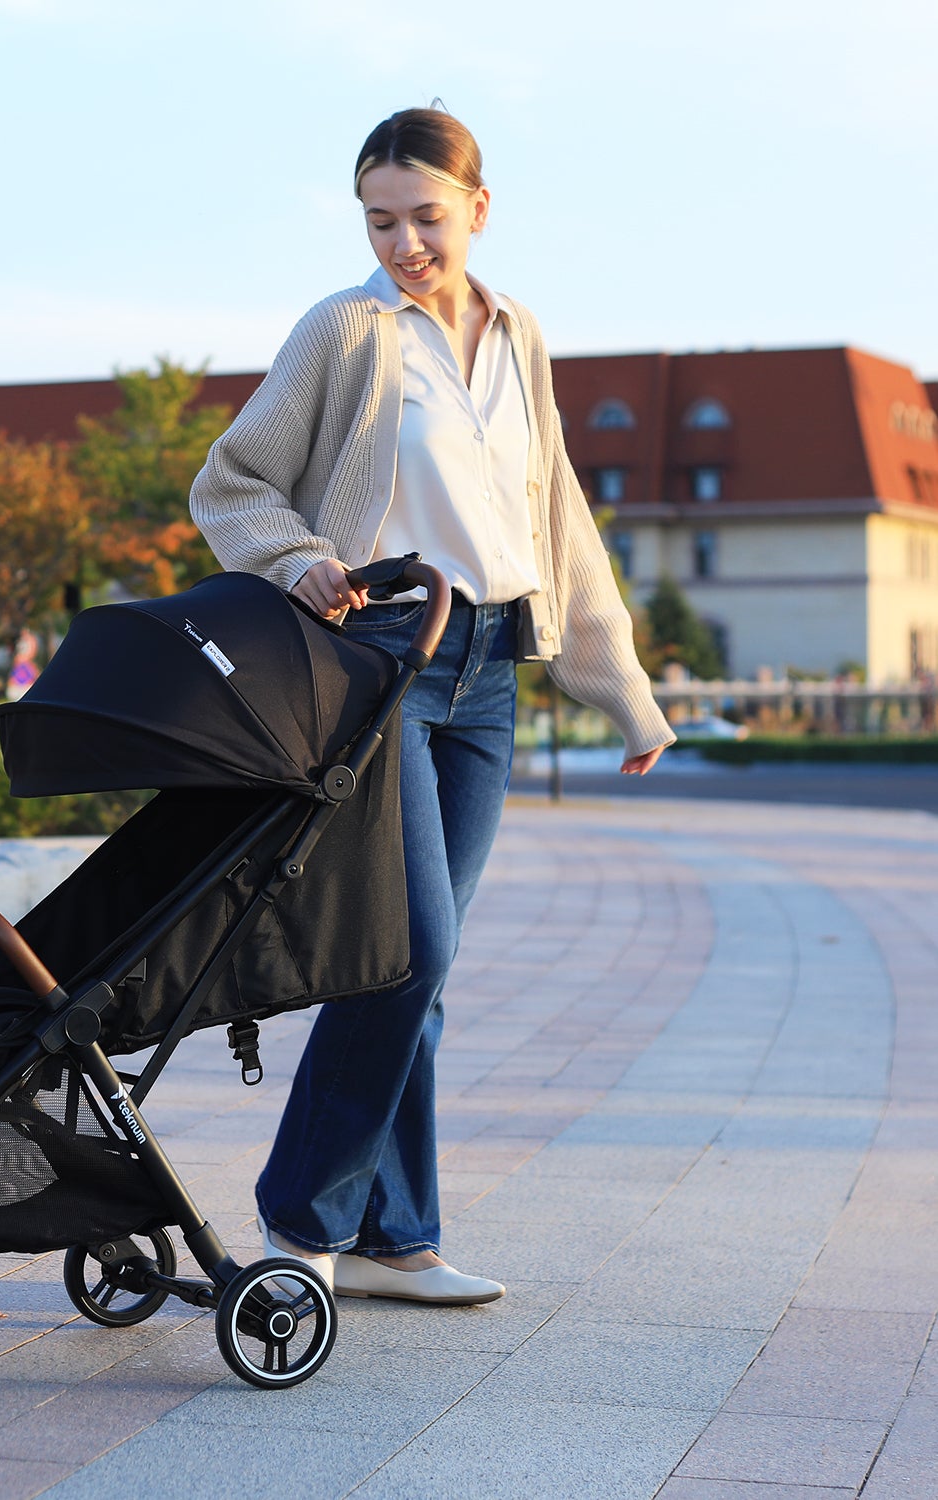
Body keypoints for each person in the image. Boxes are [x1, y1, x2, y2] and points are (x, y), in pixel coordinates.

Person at [189, 106, 674, 1305]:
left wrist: (625, 694)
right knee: (411, 946)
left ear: (478, 208)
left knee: (418, 965)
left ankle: (395, 1237)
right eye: (381, 221)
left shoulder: (521, 337)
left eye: (426, 217)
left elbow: (554, 513)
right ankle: (303, 1219)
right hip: (387, 660)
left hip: (494, 670)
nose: (405, 243)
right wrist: (297, 555)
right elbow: (231, 478)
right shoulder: (347, 330)